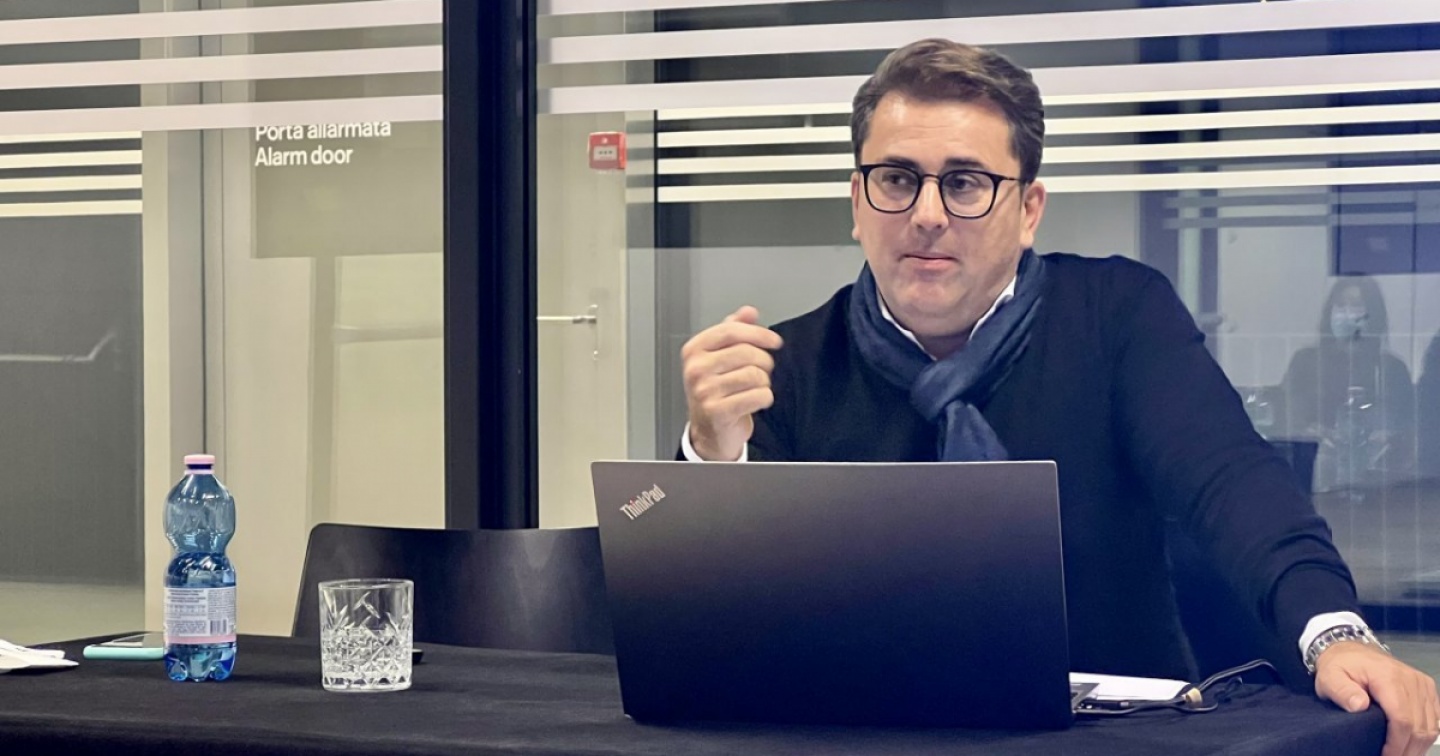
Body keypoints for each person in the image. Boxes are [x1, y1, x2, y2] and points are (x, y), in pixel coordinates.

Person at [678, 39, 1438, 755]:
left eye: (966, 183)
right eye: (898, 179)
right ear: (857, 200)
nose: (928, 213)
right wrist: (711, 454)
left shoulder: (1116, 315)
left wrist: (1333, 632)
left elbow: (1231, 479)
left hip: (1108, 737)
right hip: (858, 736)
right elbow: (706, 622)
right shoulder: (783, 366)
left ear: (1029, 210)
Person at [1279, 276, 1416, 489]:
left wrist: (1387, 438)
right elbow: (1285, 417)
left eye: (1356, 306)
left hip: (1376, 478)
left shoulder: (1392, 369)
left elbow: (1408, 429)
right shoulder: (1305, 362)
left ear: (1373, 314)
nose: (1347, 313)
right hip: (1316, 472)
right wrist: (1308, 432)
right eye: (1341, 305)